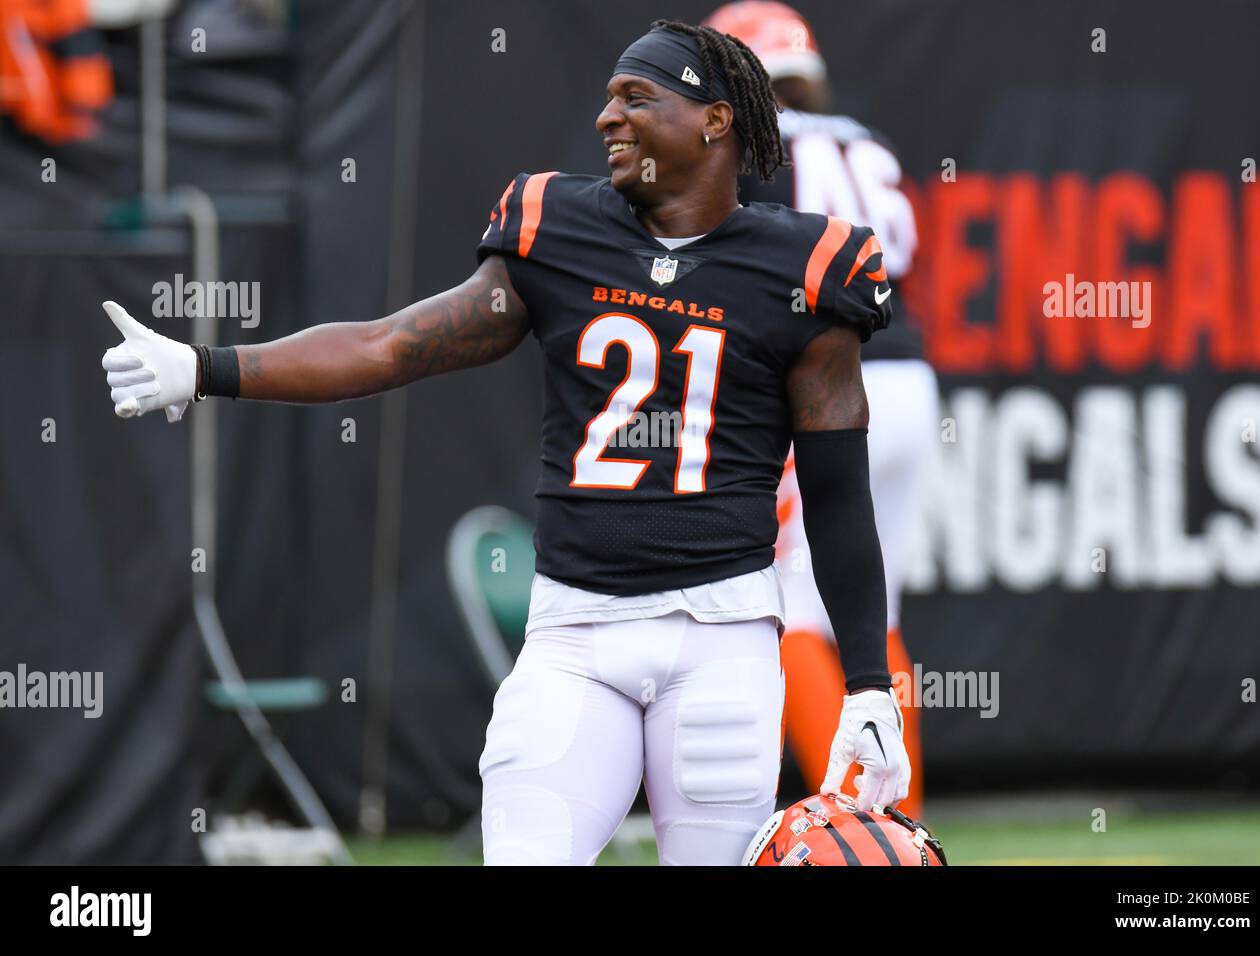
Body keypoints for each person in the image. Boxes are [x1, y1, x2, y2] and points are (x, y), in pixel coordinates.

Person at [99, 19, 908, 865]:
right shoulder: (557, 231)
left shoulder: (806, 267)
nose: (609, 119)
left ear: (715, 120)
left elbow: (838, 499)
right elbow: (386, 345)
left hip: (722, 640)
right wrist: (204, 366)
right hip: (576, 633)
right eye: (605, 100)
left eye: (638, 98)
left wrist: (866, 686)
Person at [706, 1, 938, 819]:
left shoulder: (762, 152)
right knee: (876, 613)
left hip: (837, 382)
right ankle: (902, 822)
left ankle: (849, 821)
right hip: (910, 376)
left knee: (800, 602)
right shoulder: (866, 142)